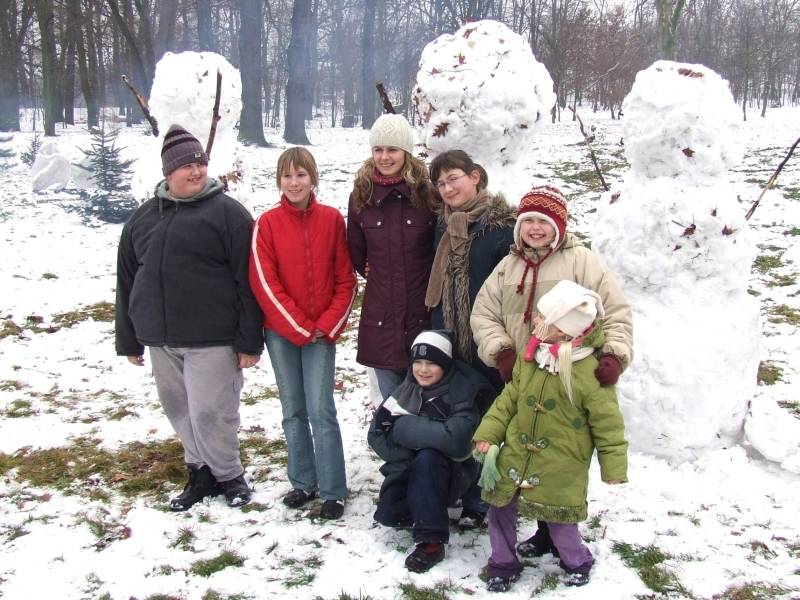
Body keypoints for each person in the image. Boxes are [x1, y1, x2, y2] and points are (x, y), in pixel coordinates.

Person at [470, 183, 633, 566]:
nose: (535, 229)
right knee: (525, 451)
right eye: (528, 221)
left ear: (558, 226)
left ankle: (553, 534)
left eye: (544, 222)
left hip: (570, 375)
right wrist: (501, 351)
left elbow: (615, 311)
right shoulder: (508, 266)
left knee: (555, 459)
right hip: (523, 373)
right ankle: (541, 536)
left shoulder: (582, 261)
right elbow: (484, 313)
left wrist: (613, 355)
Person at [115, 124, 263, 511]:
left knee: (212, 411)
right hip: (161, 339)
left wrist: (249, 341)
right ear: (169, 172)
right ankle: (200, 473)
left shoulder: (228, 214)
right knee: (179, 409)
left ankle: (229, 475)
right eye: (187, 165)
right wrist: (129, 339)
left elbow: (250, 281)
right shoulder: (143, 218)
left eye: (200, 163)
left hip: (212, 338)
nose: (196, 171)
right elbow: (127, 280)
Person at [473, 280, 628, 591]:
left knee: (559, 519)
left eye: (544, 318)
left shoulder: (590, 373)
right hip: (516, 452)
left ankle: (577, 560)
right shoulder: (531, 357)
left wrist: (613, 467)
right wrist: (488, 433)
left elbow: (608, 424)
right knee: (500, 508)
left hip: (562, 462)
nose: (535, 320)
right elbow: (508, 401)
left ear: (565, 330)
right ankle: (503, 562)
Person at [249, 147, 356, 520]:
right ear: (279, 180)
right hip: (281, 333)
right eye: (287, 176)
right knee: (292, 408)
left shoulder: (331, 220)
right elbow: (264, 282)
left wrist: (325, 326)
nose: (294, 183)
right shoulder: (267, 224)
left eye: (301, 175)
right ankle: (303, 481)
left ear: (313, 179)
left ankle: (333, 490)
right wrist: (297, 326)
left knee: (320, 408)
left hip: (321, 335)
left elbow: (345, 279)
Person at [426, 149, 516, 530]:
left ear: (475, 176)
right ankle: (461, 490)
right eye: (441, 183)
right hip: (451, 338)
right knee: (460, 416)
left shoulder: (502, 227)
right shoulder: (443, 226)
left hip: (488, 340)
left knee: (490, 418)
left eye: (454, 179)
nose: (448, 189)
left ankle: (484, 497)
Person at [368, 330, 495, 573]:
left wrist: (404, 428)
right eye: (418, 362)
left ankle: (431, 541)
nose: (423, 370)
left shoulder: (462, 390)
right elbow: (376, 434)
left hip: (454, 470)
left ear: (445, 364)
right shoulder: (407, 388)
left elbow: (456, 441)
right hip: (411, 466)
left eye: (432, 363)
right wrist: (410, 454)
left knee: (428, 457)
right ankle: (422, 506)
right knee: (390, 514)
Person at [347, 113, 436, 399]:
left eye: (392, 150)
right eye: (378, 150)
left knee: (427, 401)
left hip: (422, 314)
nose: (384, 157)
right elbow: (357, 253)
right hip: (381, 319)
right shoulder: (361, 196)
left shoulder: (427, 194)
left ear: (406, 152)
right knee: (392, 405)